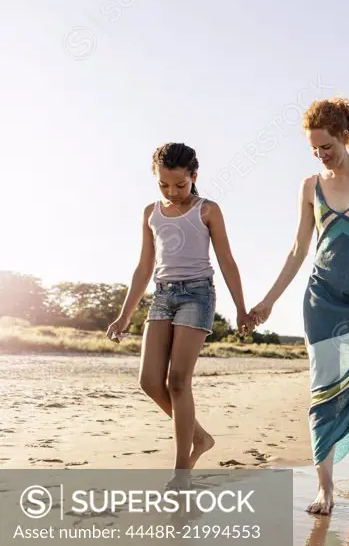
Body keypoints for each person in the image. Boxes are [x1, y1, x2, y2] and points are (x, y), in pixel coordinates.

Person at [249, 97, 349, 515]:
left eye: (327, 146)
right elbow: (298, 250)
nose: (322, 155)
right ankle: (325, 486)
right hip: (321, 302)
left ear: (344, 136)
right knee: (322, 390)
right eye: (315, 149)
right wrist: (268, 301)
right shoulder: (310, 186)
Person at [106, 142, 252, 481]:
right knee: (148, 381)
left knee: (177, 382)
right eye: (164, 185)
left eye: (180, 185)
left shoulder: (208, 210)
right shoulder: (150, 214)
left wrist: (242, 309)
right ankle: (199, 437)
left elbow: (227, 262)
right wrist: (124, 315)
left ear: (194, 176)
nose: (172, 192)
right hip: (162, 296)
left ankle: (181, 470)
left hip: (198, 296)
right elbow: (144, 268)